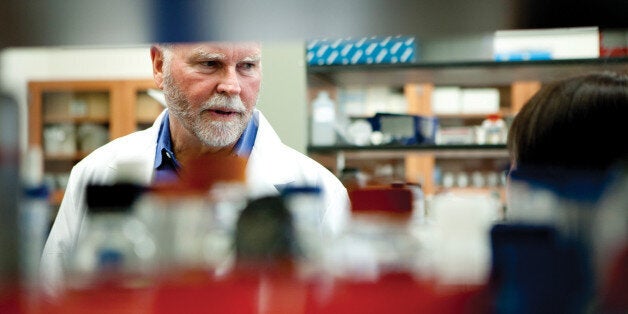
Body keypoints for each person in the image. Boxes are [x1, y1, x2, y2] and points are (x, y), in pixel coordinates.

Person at [40, 42, 350, 294]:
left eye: (247, 66)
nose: (231, 86)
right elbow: (51, 295)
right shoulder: (96, 173)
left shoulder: (323, 193)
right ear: (160, 65)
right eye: (209, 64)